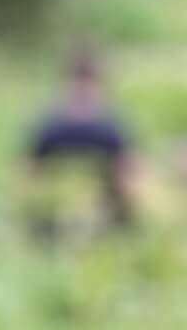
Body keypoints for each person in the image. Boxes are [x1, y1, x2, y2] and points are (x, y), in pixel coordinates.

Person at [22, 48, 138, 242]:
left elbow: (129, 171)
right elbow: (29, 171)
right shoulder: (51, 127)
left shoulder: (110, 128)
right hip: (53, 215)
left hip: (105, 212)